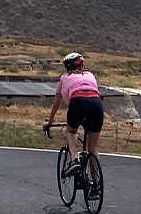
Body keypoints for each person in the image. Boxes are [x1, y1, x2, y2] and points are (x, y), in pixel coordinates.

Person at [44, 52, 103, 190]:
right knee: (93, 148)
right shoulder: (90, 75)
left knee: (71, 131)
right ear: (81, 65)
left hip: (77, 101)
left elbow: (56, 104)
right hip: (96, 103)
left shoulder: (63, 78)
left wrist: (50, 121)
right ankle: (96, 186)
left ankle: (74, 160)